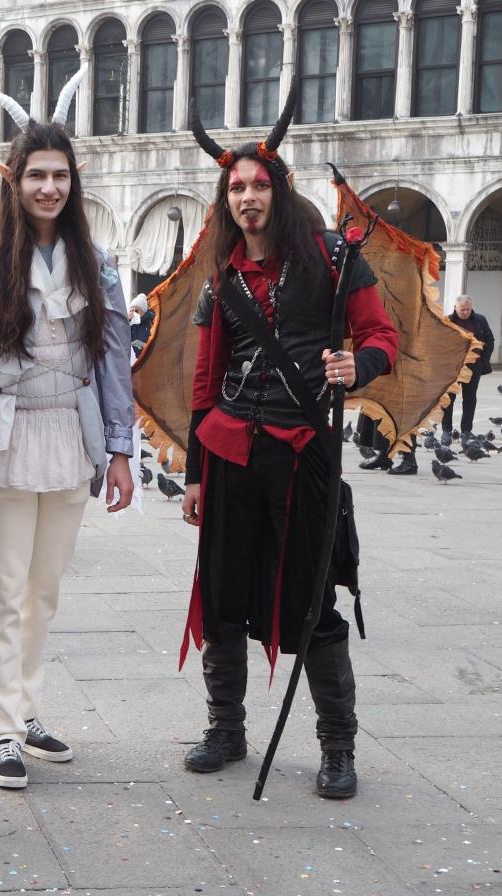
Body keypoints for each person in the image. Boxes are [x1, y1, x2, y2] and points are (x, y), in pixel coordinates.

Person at [179, 88, 398, 799]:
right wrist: (194, 474)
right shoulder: (220, 275)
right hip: (229, 454)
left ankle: (338, 746)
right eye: (236, 188)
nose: (247, 197)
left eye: (258, 185)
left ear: (279, 190)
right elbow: (206, 380)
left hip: (304, 453)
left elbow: (381, 335)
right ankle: (226, 729)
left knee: (310, 601)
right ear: (226, 200)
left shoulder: (333, 255)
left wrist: (356, 366)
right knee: (221, 596)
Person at [0, 69, 136, 790]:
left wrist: (121, 449)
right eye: (36, 176)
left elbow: (113, 357)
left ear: (73, 180)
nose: (49, 188)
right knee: (2, 589)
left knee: (44, 590)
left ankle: (25, 711)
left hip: (71, 436)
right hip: (4, 439)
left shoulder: (98, 262)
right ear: (13, 180)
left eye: (59, 175)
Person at [442, 295, 494, 444]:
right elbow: (439, 343)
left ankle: (466, 430)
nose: (465, 312)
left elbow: (490, 340)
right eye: (462, 309)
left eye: (468, 309)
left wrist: (482, 360)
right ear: (455, 308)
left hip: (473, 365)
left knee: (470, 398)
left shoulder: (480, 320)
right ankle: (447, 430)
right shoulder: (447, 321)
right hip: (452, 366)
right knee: (448, 398)